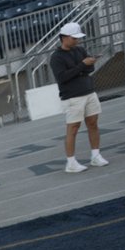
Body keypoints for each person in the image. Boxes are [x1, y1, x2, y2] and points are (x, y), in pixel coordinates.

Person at [50, 21, 108, 173]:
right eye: (74, 38)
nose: (77, 40)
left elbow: (90, 67)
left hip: (88, 91)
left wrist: (84, 66)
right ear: (64, 37)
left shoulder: (80, 50)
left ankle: (96, 155)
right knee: (73, 128)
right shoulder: (56, 57)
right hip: (72, 96)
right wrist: (82, 66)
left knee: (93, 123)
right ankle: (71, 162)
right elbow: (62, 77)